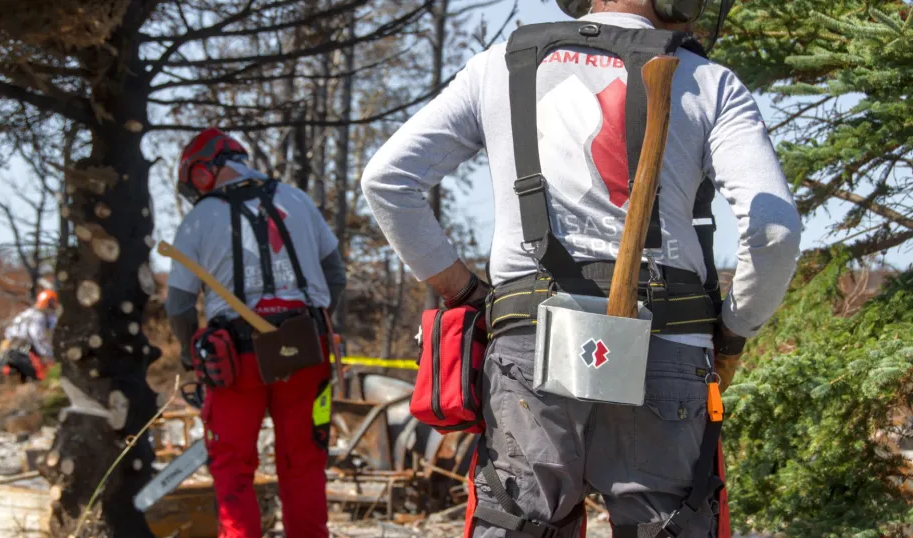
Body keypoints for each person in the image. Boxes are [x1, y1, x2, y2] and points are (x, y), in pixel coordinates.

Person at [361, 1, 803, 536]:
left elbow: (387, 179)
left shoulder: (499, 64)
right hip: (668, 348)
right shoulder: (708, 81)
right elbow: (774, 231)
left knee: (518, 523)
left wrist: (464, 290)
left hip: (529, 345)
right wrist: (733, 331)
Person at [166, 127, 347, 538]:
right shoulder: (298, 199)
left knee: (232, 466)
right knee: (304, 461)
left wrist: (188, 350)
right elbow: (335, 276)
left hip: (234, 359)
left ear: (200, 173)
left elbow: (178, 305)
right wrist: (306, 328)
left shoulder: (197, 219)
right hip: (306, 350)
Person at [0, 289, 58, 383]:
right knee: (43, 377)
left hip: (8, 352)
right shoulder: (38, 317)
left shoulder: (27, 314)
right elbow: (38, 338)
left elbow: (8, 333)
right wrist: (49, 356)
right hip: (23, 353)